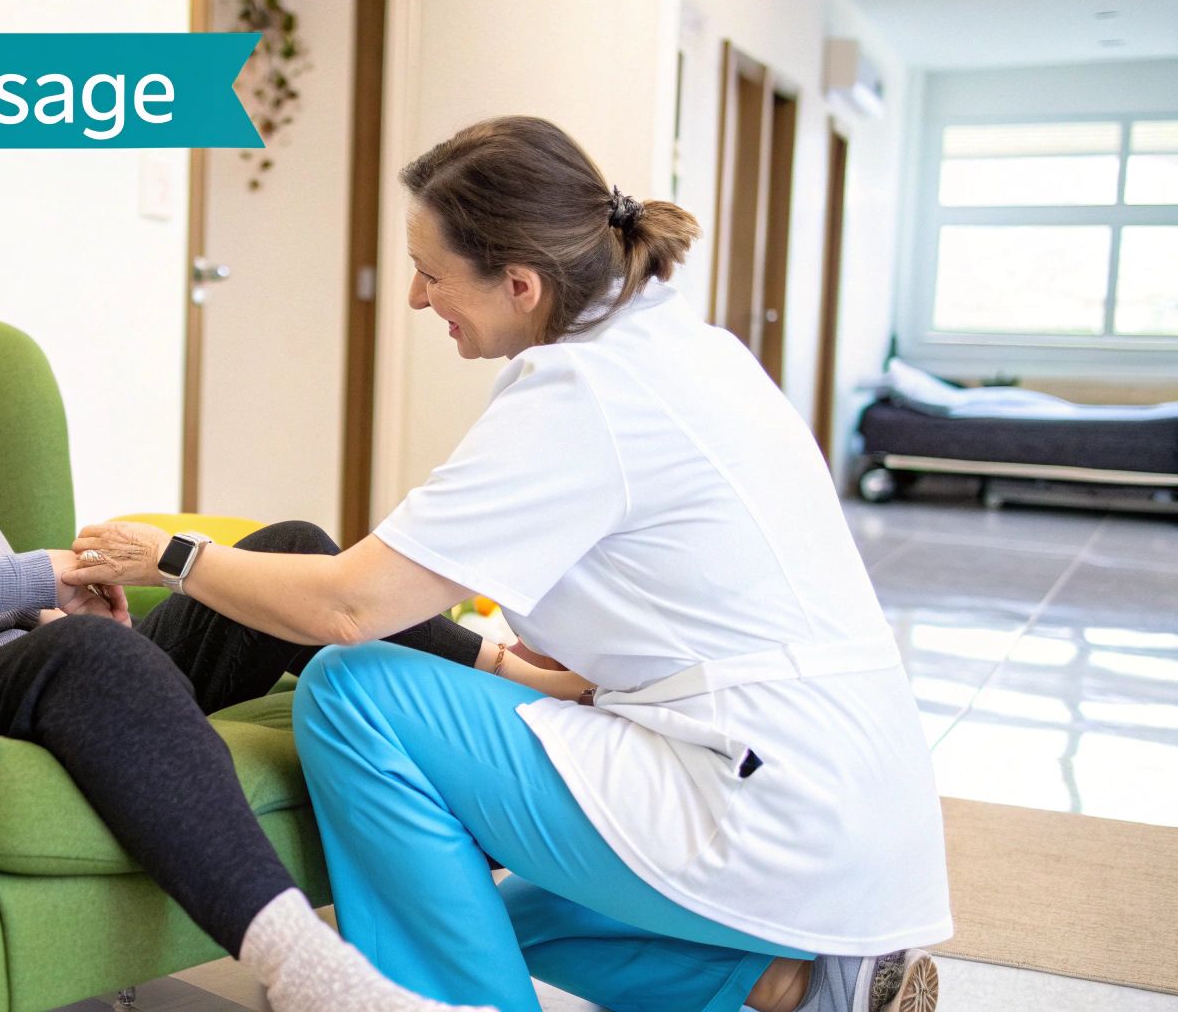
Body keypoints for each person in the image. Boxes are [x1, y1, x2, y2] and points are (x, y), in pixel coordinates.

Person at [64, 117, 951, 1012]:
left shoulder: (585, 392)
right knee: (504, 919)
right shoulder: (685, 349)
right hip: (850, 795)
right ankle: (789, 985)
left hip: (759, 797)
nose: (415, 296)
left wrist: (171, 554)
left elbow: (349, 607)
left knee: (352, 688)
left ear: (520, 284)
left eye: (433, 274)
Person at [0, 247, 524, 1012]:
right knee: (82, 653)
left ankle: (509, 675)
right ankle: (308, 972)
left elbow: (6, 594)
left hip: (43, 682)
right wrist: (36, 587)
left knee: (291, 552)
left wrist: (56, 608)